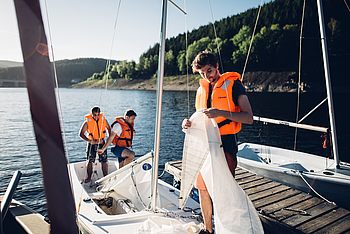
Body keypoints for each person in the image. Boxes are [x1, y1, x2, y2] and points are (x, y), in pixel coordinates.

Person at [182, 51, 253, 234]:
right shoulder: (201, 89)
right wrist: (187, 124)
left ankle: (228, 229)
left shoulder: (234, 85)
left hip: (225, 144)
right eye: (202, 73)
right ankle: (208, 229)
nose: (207, 76)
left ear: (217, 67)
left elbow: (248, 117)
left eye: (210, 70)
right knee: (203, 189)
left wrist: (221, 113)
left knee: (224, 192)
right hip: (205, 145)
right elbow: (199, 119)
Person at [79, 106, 111, 183]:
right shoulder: (87, 122)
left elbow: (109, 129)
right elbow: (81, 134)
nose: (96, 116)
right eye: (95, 115)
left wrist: (109, 139)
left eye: (98, 114)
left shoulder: (104, 120)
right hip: (92, 143)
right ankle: (89, 177)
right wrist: (90, 141)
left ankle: (105, 177)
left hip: (101, 143)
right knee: (90, 160)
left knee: (104, 160)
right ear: (92, 114)